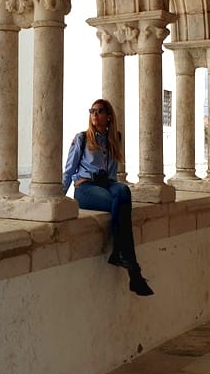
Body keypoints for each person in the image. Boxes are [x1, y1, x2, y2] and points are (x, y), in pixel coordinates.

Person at [62, 99, 154, 296]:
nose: (95, 114)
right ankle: (131, 267)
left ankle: (121, 255)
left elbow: (113, 174)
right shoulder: (82, 139)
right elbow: (69, 171)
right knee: (118, 201)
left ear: (109, 116)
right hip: (85, 188)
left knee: (124, 192)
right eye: (92, 111)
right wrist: (58, 200)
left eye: (100, 111)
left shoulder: (115, 138)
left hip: (107, 185)